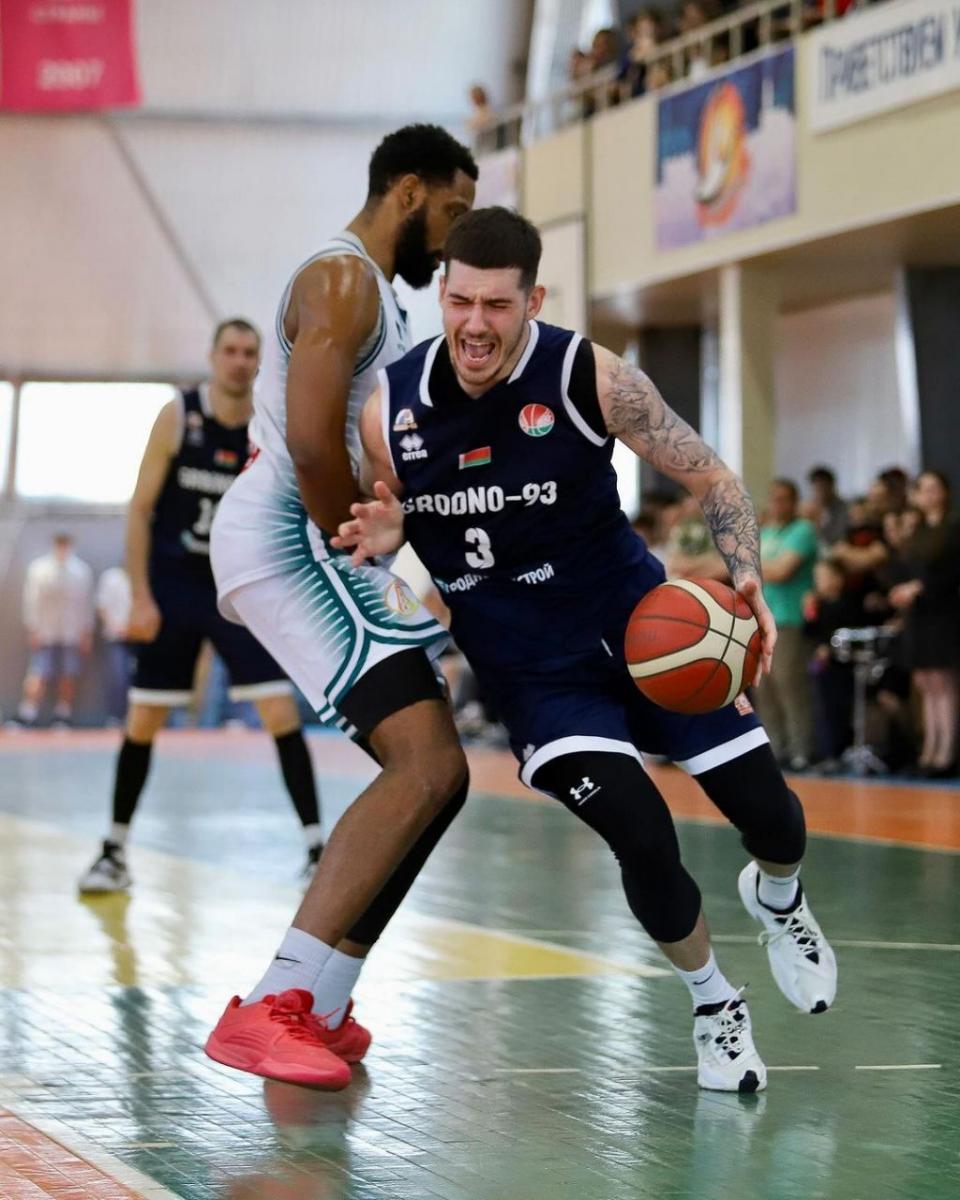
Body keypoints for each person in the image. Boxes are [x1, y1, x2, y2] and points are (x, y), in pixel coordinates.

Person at [336, 207, 837, 1094]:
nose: (475, 324)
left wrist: (747, 577)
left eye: (497, 305)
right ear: (441, 293)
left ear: (533, 301)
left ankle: (779, 898)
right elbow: (408, 532)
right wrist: (392, 533)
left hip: (648, 639)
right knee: (641, 833)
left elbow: (712, 476)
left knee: (774, 818)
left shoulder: (589, 375)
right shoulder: (392, 411)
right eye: (460, 301)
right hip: (535, 676)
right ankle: (714, 1003)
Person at [204, 125, 478, 1089]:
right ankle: (270, 1006)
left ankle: (319, 1001)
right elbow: (316, 445)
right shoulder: (342, 279)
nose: (454, 234)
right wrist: (351, 539)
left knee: (442, 776)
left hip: (317, 536)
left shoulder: (380, 299)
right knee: (423, 761)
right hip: (293, 536)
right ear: (407, 191)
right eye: (450, 210)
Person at [78, 319, 326, 895]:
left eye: (249, 352)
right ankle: (113, 850)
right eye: (230, 351)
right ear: (213, 357)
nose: (240, 361)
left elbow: (286, 513)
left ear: (260, 362)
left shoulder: (268, 426)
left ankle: (317, 849)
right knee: (144, 719)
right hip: (174, 589)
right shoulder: (179, 416)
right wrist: (141, 594)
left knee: (281, 713)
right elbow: (140, 509)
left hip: (237, 590)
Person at [888, 471, 960, 777]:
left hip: (942, 612)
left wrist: (919, 587)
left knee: (943, 682)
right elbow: (904, 567)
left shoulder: (952, 529)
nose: (929, 495)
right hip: (918, 615)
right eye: (923, 489)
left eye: (934, 489)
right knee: (926, 682)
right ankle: (929, 748)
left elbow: (950, 573)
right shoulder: (917, 531)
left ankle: (946, 751)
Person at [755, 479, 818, 771]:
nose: (777, 504)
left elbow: (782, 570)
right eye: (774, 498)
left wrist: (755, 566)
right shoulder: (767, 532)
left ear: (794, 502)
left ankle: (801, 748)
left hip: (790, 618)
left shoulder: (803, 530)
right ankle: (775, 747)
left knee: (789, 683)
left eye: (783, 499)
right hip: (763, 617)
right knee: (764, 688)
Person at [15, 533, 94, 727]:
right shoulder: (39, 569)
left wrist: (86, 632)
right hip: (45, 632)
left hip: (72, 632)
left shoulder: (81, 571)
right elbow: (31, 600)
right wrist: (33, 628)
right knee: (38, 672)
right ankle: (27, 714)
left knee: (68, 673)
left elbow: (87, 604)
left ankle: (62, 715)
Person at [96, 564, 134, 726]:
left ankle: (135, 718)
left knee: (138, 679)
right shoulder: (111, 577)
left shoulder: (146, 576)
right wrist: (116, 627)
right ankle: (116, 716)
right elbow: (102, 606)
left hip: (139, 637)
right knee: (118, 677)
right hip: (116, 637)